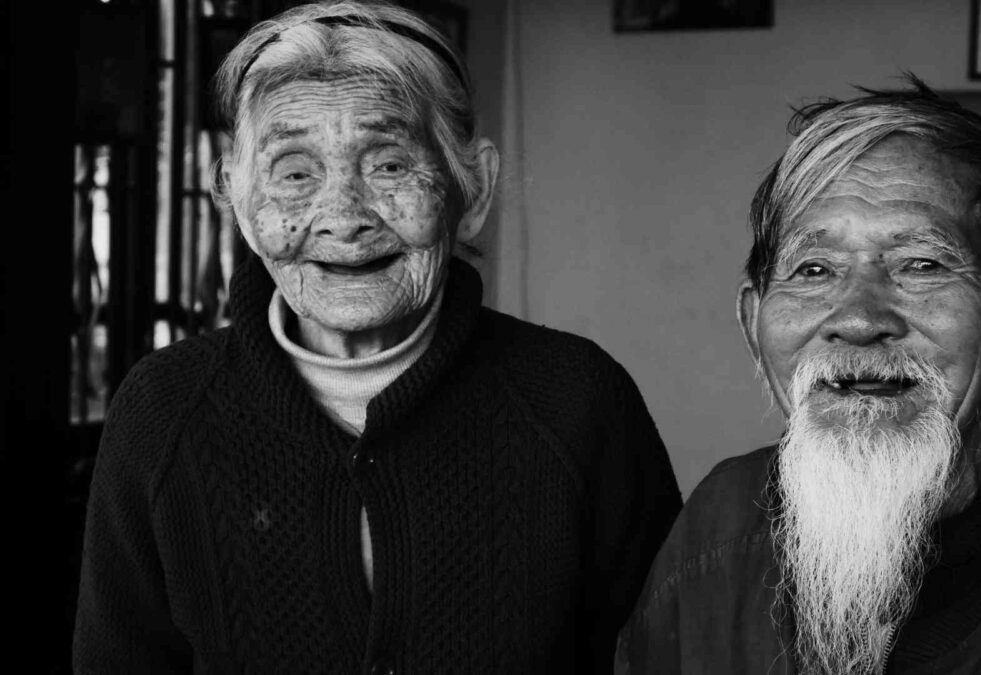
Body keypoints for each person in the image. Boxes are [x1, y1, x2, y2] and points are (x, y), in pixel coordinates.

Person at [72, 2, 682, 672]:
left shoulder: (577, 401)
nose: (344, 218)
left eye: (388, 164)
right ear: (238, 199)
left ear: (471, 187)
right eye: (296, 173)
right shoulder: (163, 411)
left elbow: (659, 655)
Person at [616, 76, 981, 674]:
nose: (859, 319)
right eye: (813, 269)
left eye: (921, 263)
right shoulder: (721, 522)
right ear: (754, 325)